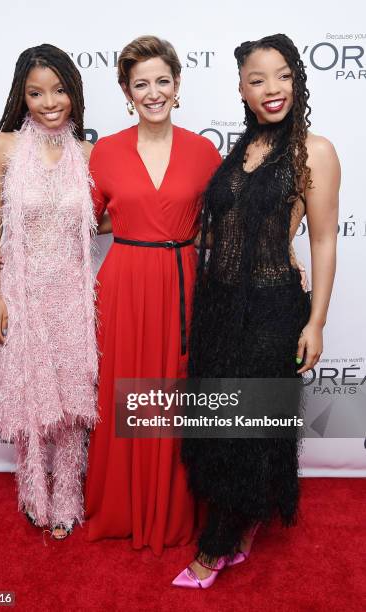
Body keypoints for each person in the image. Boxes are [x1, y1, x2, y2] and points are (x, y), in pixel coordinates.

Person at [173, 33, 340, 588]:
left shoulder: (312, 151)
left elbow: (321, 241)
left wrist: (315, 320)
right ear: (242, 90)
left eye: (284, 75)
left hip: (272, 310)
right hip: (218, 307)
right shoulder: (239, 151)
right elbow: (222, 226)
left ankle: (215, 545)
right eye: (258, 79)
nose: (273, 89)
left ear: (298, 80)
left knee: (245, 424)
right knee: (218, 418)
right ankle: (244, 523)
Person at [84, 35, 222, 555]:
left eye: (162, 80)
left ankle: (174, 511)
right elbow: (86, 222)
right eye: (141, 83)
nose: (153, 92)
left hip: (184, 281)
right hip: (125, 284)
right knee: (124, 394)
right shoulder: (107, 151)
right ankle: (123, 508)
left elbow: (220, 226)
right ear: (126, 91)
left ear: (178, 84)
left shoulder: (204, 151)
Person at [0, 44, 97, 539]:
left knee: (72, 402)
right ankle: (33, 491)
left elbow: (107, 217)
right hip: (23, 291)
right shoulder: (3, 147)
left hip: (73, 295)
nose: (49, 102)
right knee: (29, 396)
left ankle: (69, 492)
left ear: (74, 92)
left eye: (59, 91)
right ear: (21, 96)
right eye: (36, 93)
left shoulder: (89, 154)